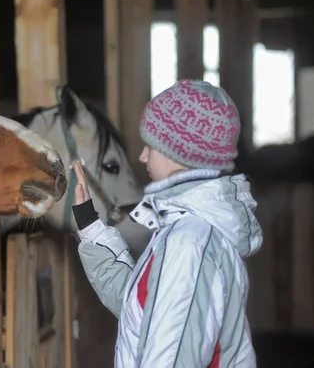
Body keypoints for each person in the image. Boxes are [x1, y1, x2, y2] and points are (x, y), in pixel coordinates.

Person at [71, 79, 263, 367]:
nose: (142, 156)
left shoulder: (190, 245)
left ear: (180, 154)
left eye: (151, 145)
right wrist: (89, 222)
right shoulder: (186, 232)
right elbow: (138, 308)